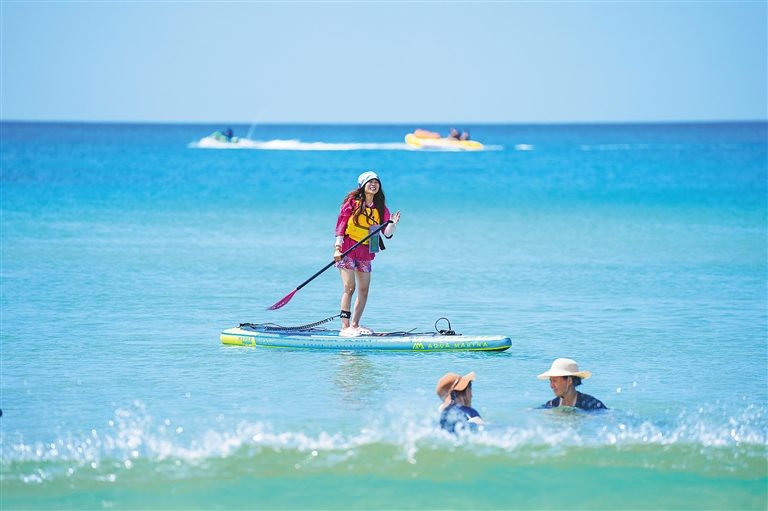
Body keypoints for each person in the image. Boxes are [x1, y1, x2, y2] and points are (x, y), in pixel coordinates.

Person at [334, 171, 401, 337]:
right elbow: (341, 225)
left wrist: (392, 224)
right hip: (348, 248)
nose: (373, 185)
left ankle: (355, 325)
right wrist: (337, 248)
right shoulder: (352, 203)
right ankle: (345, 327)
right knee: (350, 288)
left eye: (376, 182)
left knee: (364, 290)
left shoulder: (381, 209)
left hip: (365, 252)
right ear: (362, 186)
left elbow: (387, 233)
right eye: (370, 182)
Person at [537, 358, 607, 410]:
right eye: (550, 381)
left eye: (555, 380)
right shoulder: (552, 405)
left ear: (569, 381)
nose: (551, 385)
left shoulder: (592, 404)